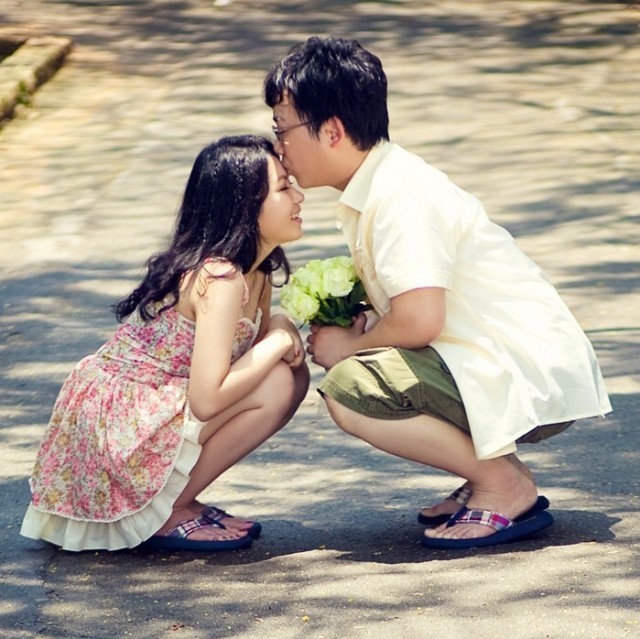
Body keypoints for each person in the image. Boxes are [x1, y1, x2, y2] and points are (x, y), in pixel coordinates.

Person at [263, 36, 612, 549]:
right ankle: (491, 473)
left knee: (352, 388)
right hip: (494, 362)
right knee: (365, 371)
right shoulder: (383, 182)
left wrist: (349, 346)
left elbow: (420, 319)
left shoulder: (401, 196)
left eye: (282, 128)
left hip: (522, 372)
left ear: (332, 130)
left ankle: (502, 483)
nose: (278, 146)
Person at [20, 135, 309, 552]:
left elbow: (248, 354)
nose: (299, 196)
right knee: (280, 382)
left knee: (288, 376)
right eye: (283, 187)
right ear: (245, 206)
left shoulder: (257, 270)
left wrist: (278, 323)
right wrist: (280, 337)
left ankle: (176, 500)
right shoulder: (220, 278)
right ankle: (168, 510)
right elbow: (208, 400)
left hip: (158, 404)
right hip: (117, 424)